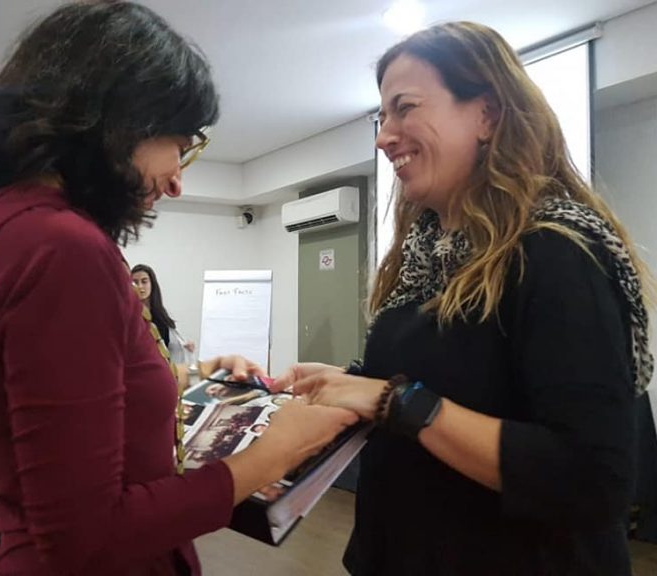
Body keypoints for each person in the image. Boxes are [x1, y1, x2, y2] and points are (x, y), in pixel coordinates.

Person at [0, 3, 356, 575]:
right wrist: (277, 452)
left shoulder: (5, 228)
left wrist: (192, 375)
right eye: (179, 146)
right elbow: (87, 537)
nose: (177, 181)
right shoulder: (62, 248)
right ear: (121, 122)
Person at [274, 21, 654, 576]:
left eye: (405, 108)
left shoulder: (557, 252)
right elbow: (443, 377)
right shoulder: (422, 256)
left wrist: (395, 402)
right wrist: (342, 382)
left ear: (487, 115)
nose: (383, 136)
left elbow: (593, 478)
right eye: (383, 117)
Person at [131, 263, 195, 364]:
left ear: (152, 284)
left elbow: (168, 346)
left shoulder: (161, 315)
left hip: (166, 369)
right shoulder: (131, 316)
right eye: (135, 282)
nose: (140, 286)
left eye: (144, 281)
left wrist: (184, 347)